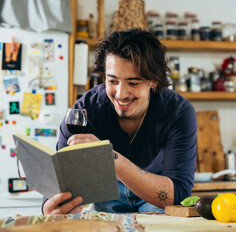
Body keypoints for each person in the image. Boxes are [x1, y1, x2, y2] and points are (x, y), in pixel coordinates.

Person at [42, 28, 197, 214]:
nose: (121, 94)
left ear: (154, 81)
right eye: (112, 81)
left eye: (133, 83)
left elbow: (179, 194)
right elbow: (59, 178)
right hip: (105, 191)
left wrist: (108, 157)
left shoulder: (178, 112)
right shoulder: (84, 110)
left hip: (153, 189)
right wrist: (48, 207)